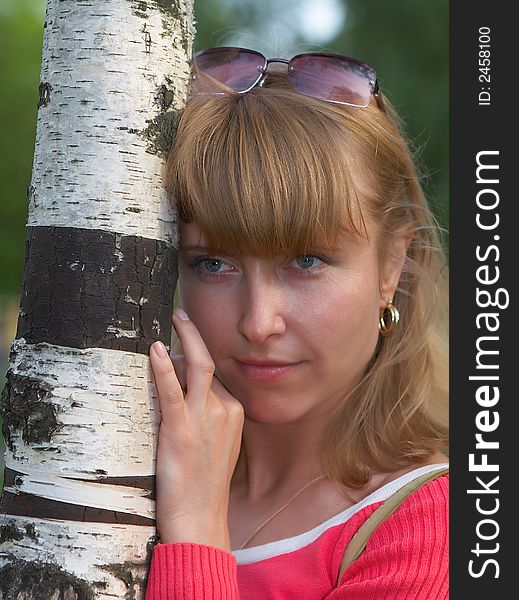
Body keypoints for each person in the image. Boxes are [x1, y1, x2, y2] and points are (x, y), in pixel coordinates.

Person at [145, 46, 449, 599]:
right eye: (213, 263)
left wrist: (195, 537)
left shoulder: (430, 530)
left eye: (306, 260)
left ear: (391, 264)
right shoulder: (112, 476)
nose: (258, 323)